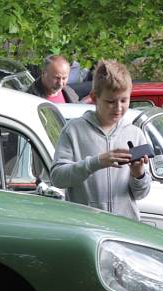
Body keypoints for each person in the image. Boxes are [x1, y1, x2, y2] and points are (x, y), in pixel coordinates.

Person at [50, 59, 150, 220]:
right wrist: (96, 162)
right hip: (87, 229)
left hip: (125, 230)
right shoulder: (74, 130)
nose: (118, 108)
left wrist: (138, 174)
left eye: (124, 100)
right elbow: (57, 178)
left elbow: (141, 193)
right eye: (110, 102)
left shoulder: (135, 133)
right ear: (94, 97)